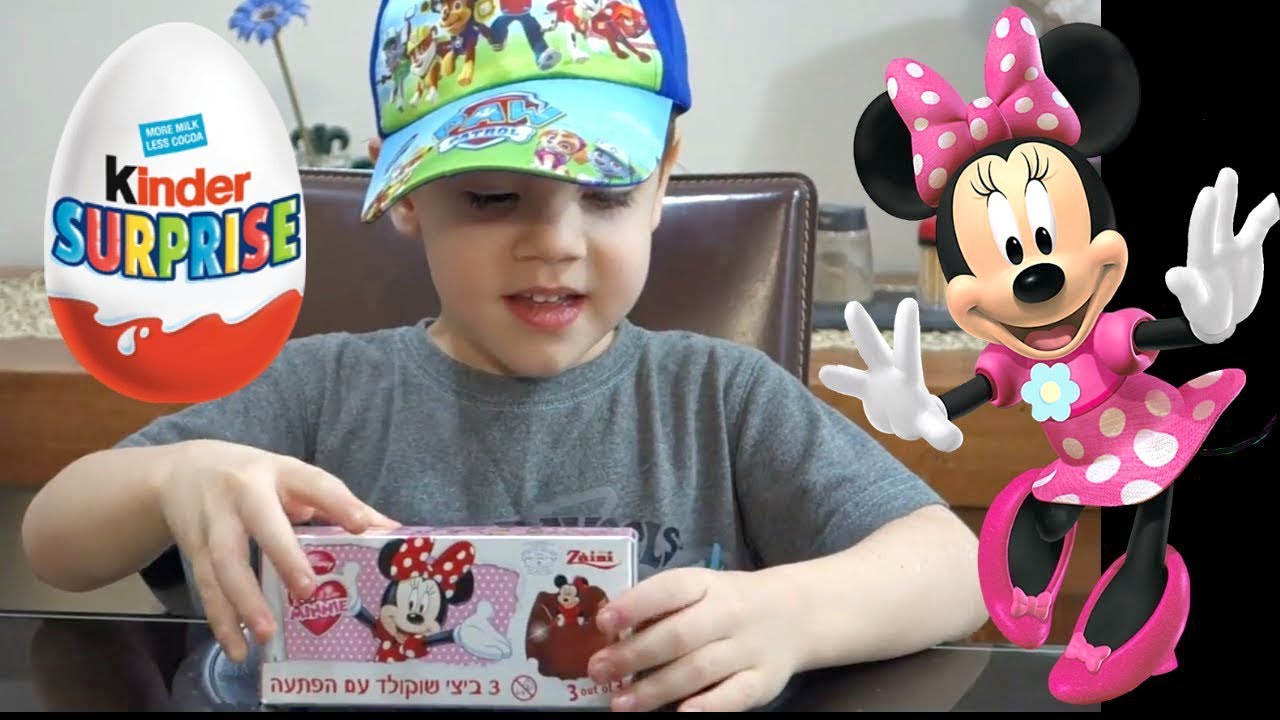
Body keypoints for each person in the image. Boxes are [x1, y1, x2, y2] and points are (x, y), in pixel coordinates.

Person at [22, 0, 986, 712]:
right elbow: (53, 545)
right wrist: (178, 476)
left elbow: (961, 569)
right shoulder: (321, 388)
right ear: (408, 195)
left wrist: (792, 615)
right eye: (492, 197)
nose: (554, 243)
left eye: (605, 193)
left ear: (662, 181)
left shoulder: (718, 396)